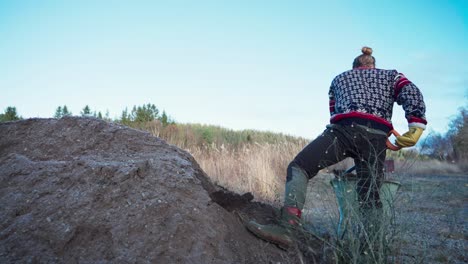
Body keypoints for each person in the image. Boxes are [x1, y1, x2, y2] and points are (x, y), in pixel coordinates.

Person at [246, 46, 427, 248]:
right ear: (373, 66)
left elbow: (335, 114)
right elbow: (411, 93)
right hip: (376, 139)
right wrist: (414, 126)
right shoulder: (392, 76)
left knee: (299, 167)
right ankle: (373, 251)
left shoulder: (339, 79)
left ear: (354, 67)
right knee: (370, 195)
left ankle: (287, 228)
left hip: (342, 132)